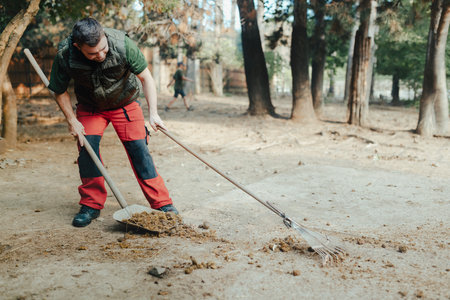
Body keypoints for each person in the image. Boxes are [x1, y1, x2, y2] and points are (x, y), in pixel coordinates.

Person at [48, 18, 178, 227]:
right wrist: (72, 120)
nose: (100, 55)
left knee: (139, 149)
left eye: (103, 49)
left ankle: (162, 203)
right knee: (87, 147)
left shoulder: (122, 44)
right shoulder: (65, 54)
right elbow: (59, 90)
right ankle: (91, 204)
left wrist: (153, 114)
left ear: (105, 37)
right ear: (77, 46)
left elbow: (146, 77)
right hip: (91, 107)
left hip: (124, 103)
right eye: (92, 53)